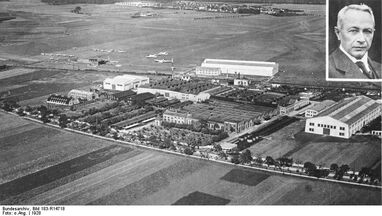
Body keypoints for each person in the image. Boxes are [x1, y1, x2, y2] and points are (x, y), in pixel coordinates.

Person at [329, 4, 381, 80]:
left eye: (367, 31)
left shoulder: (379, 68)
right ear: (338, 33)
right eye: (353, 30)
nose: (361, 39)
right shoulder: (328, 68)